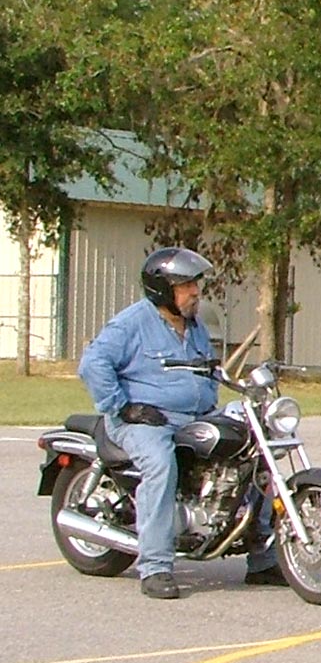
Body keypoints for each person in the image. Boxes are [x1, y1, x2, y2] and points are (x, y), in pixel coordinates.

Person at [78, 247, 285, 600]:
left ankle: (262, 559)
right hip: (146, 420)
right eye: (186, 285)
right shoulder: (132, 323)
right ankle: (155, 567)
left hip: (196, 416)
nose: (195, 292)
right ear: (163, 289)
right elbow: (93, 364)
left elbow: (208, 369)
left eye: (195, 284)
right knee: (161, 465)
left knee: (254, 448)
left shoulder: (195, 325)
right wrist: (123, 408)